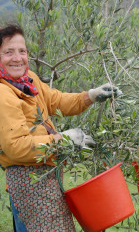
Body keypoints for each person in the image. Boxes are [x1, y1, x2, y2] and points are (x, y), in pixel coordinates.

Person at [0, 24, 120, 231]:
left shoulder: (29, 81)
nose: (17, 58)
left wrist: (90, 96)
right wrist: (63, 140)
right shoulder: (4, 94)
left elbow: (57, 101)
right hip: (28, 182)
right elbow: (16, 146)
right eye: (8, 52)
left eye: (22, 51)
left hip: (46, 177)